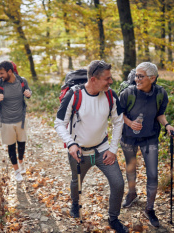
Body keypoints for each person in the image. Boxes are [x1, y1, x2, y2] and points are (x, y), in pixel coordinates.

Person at [54, 60, 129, 233]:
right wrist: (71, 144)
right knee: (76, 182)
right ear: (94, 79)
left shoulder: (110, 95)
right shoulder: (74, 95)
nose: (111, 82)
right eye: (107, 79)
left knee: (118, 183)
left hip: (103, 151)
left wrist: (112, 149)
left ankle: (113, 218)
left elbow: (118, 122)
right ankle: (75, 203)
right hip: (79, 152)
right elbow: (59, 123)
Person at [119, 62, 174, 228]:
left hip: (150, 137)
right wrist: (129, 123)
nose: (137, 79)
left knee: (152, 174)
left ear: (152, 78)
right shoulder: (128, 93)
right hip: (129, 137)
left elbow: (160, 114)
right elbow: (118, 114)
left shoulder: (160, 93)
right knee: (131, 168)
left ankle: (149, 209)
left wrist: (167, 125)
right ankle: (131, 194)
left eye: (140, 76)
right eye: (136, 75)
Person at [0, 61, 32, 182]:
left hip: (21, 119)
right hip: (6, 121)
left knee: (22, 144)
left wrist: (29, 94)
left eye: (2, 73)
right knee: (11, 146)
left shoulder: (22, 81)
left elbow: (28, 92)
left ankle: (21, 162)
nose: (0, 76)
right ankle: (17, 171)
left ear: (10, 71)